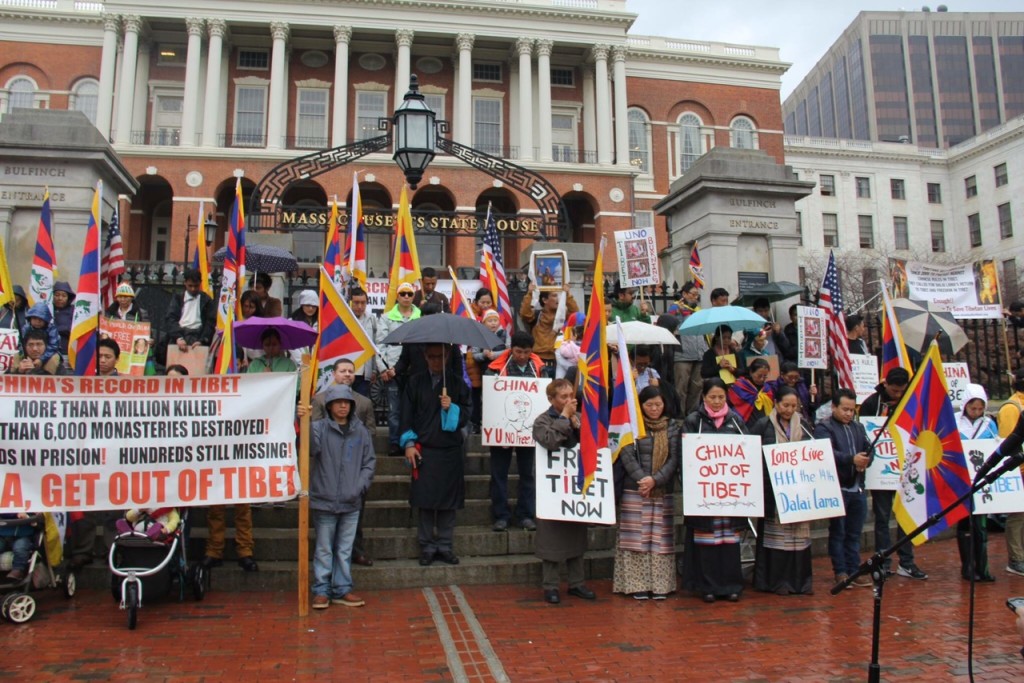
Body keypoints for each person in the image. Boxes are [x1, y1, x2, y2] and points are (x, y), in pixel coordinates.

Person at [400, 344, 470, 566]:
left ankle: (445, 545)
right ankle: (427, 546)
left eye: (440, 357)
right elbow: (406, 414)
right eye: (431, 357)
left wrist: (452, 408)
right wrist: (409, 443)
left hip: (450, 450)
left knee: (449, 502)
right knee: (426, 500)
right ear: (424, 357)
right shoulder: (415, 382)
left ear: (448, 356)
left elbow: (469, 412)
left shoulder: (457, 383)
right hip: (424, 449)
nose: (436, 361)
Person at [307, 384, 375, 609]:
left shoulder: (361, 431)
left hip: (351, 499)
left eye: (346, 402)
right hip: (324, 498)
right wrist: (303, 422)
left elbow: (369, 462)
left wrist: (359, 486)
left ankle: (342, 588)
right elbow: (309, 448)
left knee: (345, 548)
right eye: (338, 402)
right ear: (329, 406)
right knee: (324, 547)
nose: (343, 406)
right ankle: (321, 589)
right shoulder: (318, 428)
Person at [681, 378, 748, 602]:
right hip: (705, 494)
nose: (717, 401)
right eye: (712, 397)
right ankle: (707, 586)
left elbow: (747, 454)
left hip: (731, 495)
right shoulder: (693, 421)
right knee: (706, 541)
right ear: (704, 397)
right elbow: (685, 457)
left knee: (729, 542)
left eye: (721, 397)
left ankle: (731, 585)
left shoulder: (736, 421)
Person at [612, 385, 680, 600]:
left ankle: (660, 585)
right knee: (634, 539)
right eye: (649, 405)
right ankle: (635, 584)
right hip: (635, 489)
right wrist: (643, 479)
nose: (654, 409)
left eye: (658, 404)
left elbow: (674, 459)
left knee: (660, 539)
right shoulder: (631, 427)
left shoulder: (672, 428)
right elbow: (626, 454)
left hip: (661, 490)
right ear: (640, 406)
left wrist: (656, 479)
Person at [532, 378, 596, 604]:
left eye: (571, 396)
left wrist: (578, 428)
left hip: (572, 485)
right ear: (551, 399)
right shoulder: (542, 420)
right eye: (563, 397)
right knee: (551, 537)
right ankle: (550, 585)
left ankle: (577, 583)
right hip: (552, 487)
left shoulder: (577, 418)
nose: (570, 400)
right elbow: (549, 441)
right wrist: (564, 419)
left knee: (575, 533)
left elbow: (589, 446)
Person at [860, 367, 927, 580]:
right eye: (894, 391)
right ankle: (883, 560)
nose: (897, 395)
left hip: (906, 469)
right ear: (886, 384)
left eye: (901, 391)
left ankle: (906, 562)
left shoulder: (912, 401)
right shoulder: (872, 403)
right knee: (882, 517)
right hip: (882, 470)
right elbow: (864, 432)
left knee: (905, 517)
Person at [312, 358, 377, 567]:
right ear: (334, 374)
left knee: (356, 516)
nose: (347, 374)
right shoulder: (320, 400)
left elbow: (371, 431)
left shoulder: (364, 402)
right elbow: (314, 436)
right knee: (326, 523)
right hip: (328, 470)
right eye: (343, 371)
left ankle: (355, 551)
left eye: (351, 371)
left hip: (355, 467)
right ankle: (327, 558)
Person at [750, 386, 815, 595]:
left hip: (799, 492)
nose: (789, 410)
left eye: (794, 406)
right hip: (773, 491)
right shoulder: (763, 425)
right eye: (785, 405)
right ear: (776, 403)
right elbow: (751, 455)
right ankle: (776, 582)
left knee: (798, 538)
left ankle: (799, 582)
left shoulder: (803, 426)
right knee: (775, 540)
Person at [814, 388, 872, 588]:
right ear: (834, 407)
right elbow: (827, 452)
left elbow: (867, 448)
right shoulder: (824, 427)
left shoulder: (858, 427)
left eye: (851, 410)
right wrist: (851, 459)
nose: (848, 413)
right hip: (837, 487)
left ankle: (854, 569)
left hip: (857, 488)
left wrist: (866, 459)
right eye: (844, 409)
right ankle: (840, 571)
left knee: (854, 532)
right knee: (838, 531)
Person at [484, 330, 541, 532]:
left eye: (526, 352)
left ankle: (525, 514)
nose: (522, 356)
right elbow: (489, 397)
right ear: (511, 349)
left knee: (528, 474)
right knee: (499, 473)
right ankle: (501, 515)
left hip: (529, 430)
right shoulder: (495, 368)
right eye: (518, 352)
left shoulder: (539, 368)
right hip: (502, 429)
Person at [956, 383, 999, 582]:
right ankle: (968, 567)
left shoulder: (989, 424)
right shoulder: (955, 422)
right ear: (965, 405)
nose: (977, 412)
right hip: (962, 480)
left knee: (981, 525)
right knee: (965, 523)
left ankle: (983, 566)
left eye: (980, 408)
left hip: (982, 481)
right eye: (973, 408)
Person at [378, 282, 422, 456]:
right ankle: (395, 442)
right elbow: (380, 345)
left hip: (415, 370)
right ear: (397, 296)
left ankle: (412, 441)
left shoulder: (420, 317)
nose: (405, 297)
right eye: (402, 293)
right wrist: (383, 369)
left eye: (409, 294)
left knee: (416, 408)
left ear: (413, 297)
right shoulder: (387, 317)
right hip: (393, 370)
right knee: (394, 410)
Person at [998, 368, 1024, 577]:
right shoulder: (1011, 407)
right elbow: (1009, 441)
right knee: (1018, 516)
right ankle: (1016, 558)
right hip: (1021, 470)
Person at [520, 283, 578, 373]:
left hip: (559, 362)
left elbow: (575, 315)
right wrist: (530, 293)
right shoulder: (538, 315)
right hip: (538, 361)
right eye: (554, 295)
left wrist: (567, 295)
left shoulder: (563, 316)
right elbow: (525, 314)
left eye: (559, 295)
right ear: (544, 300)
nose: (558, 298)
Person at [671, 283, 708, 415]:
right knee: (681, 388)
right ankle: (680, 416)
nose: (695, 297)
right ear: (684, 294)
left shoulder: (698, 310)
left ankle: (692, 415)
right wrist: (678, 313)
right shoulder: (675, 308)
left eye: (697, 295)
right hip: (683, 355)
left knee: (697, 387)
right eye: (693, 294)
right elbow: (671, 325)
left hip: (699, 354)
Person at [470, 308, 507, 431]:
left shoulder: (504, 334)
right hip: (485, 372)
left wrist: (495, 355)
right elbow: (475, 355)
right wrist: (484, 355)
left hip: (502, 372)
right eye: (490, 320)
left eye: (495, 320)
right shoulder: (478, 335)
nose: (493, 323)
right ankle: (483, 423)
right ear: (484, 323)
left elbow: (509, 350)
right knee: (485, 398)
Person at [164, 268, 216, 355]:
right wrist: (178, 337)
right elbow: (170, 318)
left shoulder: (206, 300)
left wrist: (202, 340)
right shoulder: (178, 298)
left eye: (196, 286)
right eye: (190, 286)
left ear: (200, 283)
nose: (193, 289)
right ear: (185, 283)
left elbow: (210, 322)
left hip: (198, 336)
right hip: (179, 335)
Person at [727, 357, 775, 426]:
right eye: (759, 376)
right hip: (744, 425)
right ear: (751, 372)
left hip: (764, 425)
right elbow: (731, 403)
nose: (762, 379)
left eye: (765, 376)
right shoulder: (740, 385)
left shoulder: (767, 389)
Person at [347, 287, 377, 397]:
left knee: (361, 405)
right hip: (346, 370)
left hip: (364, 372)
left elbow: (374, 344)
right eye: (356, 303)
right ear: (350, 302)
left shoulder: (372, 319)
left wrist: (374, 369)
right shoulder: (343, 318)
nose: (360, 306)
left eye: (363, 303)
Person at [20, 302, 60, 368]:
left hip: (48, 354)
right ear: (30, 319)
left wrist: (41, 359)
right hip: (29, 354)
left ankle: (48, 377)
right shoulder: (25, 328)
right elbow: (20, 345)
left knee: (54, 358)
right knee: (16, 356)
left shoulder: (52, 329)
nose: (37, 322)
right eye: (34, 319)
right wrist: (26, 356)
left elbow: (53, 346)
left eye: (41, 319)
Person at [0, 512, 35, 581]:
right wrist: (15, 514)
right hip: (2, 534)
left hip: (23, 535)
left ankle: (18, 570)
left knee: (20, 547)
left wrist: (28, 517)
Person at [51, 280, 75, 357]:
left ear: (68, 298)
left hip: (67, 350)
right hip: (49, 352)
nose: (60, 298)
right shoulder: (48, 309)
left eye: (64, 296)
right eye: (57, 295)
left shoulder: (74, 310)